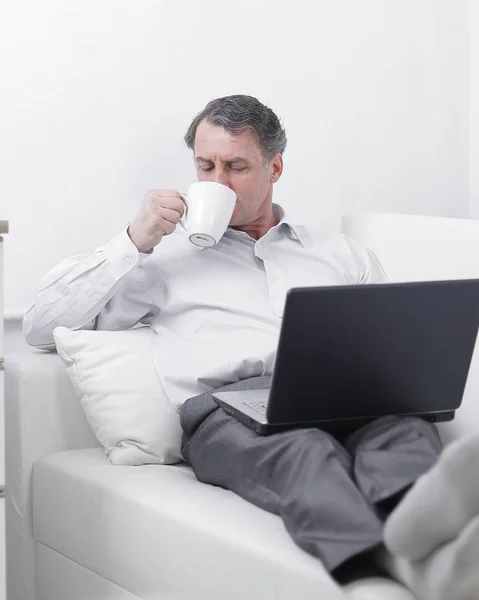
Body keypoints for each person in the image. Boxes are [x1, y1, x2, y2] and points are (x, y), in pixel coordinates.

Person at [23, 95, 479, 599]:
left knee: (403, 432)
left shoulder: (339, 254)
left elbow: (390, 347)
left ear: (274, 167)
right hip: (226, 411)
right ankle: (373, 576)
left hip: (345, 398)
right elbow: (42, 326)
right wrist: (134, 238)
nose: (216, 182)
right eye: (205, 165)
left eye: (236, 166)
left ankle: (428, 540)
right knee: (306, 451)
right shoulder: (159, 258)